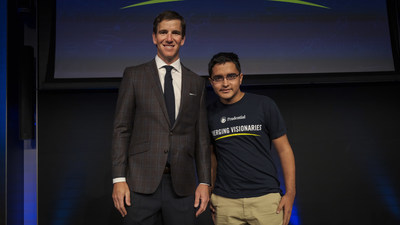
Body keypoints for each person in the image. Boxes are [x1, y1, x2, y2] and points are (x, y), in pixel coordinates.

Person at [111, 10, 210, 225]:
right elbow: (122, 129)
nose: (169, 38)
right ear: (154, 37)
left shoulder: (196, 82)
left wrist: (204, 182)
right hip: (139, 184)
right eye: (163, 32)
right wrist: (119, 179)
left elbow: (202, 138)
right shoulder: (134, 75)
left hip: (182, 187)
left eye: (175, 33)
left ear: (183, 39)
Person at [207, 52, 296, 225]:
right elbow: (211, 157)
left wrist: (290, 193)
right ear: (211, 82)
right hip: (225, 202)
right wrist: (210, 191)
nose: (225, 83)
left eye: (230, 76)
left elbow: (285, 150)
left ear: (240, 78)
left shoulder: (264, 105)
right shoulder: (209, 113)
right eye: (218, 78)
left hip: (266, 199)